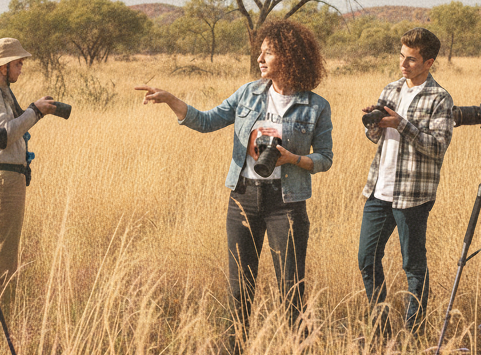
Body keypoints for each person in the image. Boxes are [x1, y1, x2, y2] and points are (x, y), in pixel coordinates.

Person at [135, 19, 333, 349]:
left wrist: (293, 160)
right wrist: (171, 100)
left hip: (287, 204)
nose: (260, 58)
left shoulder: (315, 106)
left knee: (291, 291)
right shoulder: (248, 93)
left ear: (287, 56)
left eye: (268, 52)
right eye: (260, 52)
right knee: (239, 289)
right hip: (243, 197)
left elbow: (325, 158)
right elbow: (207, 121)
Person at [358, 27, 454, 337]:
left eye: (411, 60)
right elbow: (376, 138)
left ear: (429, 62)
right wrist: (374, 123)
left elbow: (438, 146)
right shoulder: (391, 89)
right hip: (379, 190)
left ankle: (414, 334)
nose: (403, 65)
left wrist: (402, 124)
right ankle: (381, 330)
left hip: (413, 194)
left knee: (413, 266)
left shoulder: (440, 98)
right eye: (401, 57)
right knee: (366, 258)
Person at [0, 38, 59, 310]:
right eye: (18, 63)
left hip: (5, 179)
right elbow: (3, 135)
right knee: (0, 264)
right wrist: (35, 111)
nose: (21, 68)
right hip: (0, 180)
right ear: (3, 66)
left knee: (3, 259)